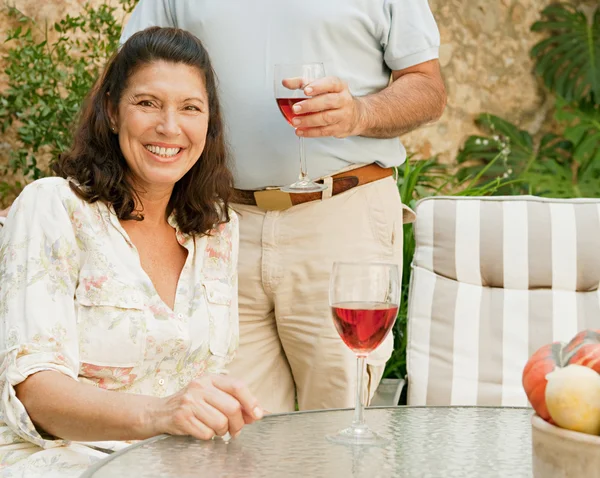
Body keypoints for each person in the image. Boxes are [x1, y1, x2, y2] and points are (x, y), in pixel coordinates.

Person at [0, 27, 263, 477]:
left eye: (190, 108)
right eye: (147, 103)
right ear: (112, 112)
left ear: (209, 125)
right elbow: (35, 393)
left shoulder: (218, 231)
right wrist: (158, 414)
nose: (169, 126)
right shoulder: (54, 207)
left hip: (178, 465)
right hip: (64, 461)